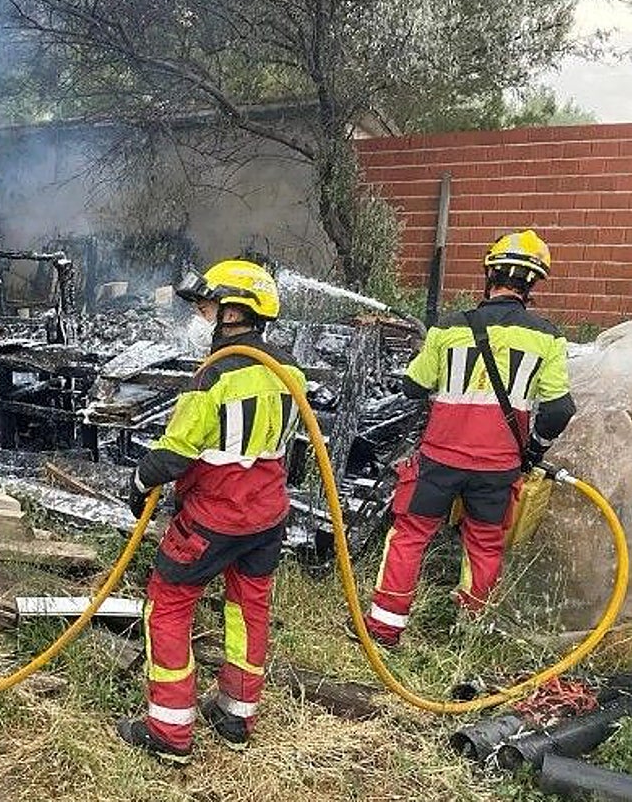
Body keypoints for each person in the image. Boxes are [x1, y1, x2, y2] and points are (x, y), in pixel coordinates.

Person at [119, 260, 306, 763]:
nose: (204, 315)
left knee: (168, 603)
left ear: (233, 312)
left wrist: (139, 480)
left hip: (213, 518)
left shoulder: (213, 378)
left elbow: (175, 452)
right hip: (267, 518)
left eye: (209, 306)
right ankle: (235, 715)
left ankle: (169, 730)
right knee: (249, 609)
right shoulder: (289, 371)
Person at [359, 230, 576, 649]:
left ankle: (384, 629)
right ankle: (468, 632)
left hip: (439, 461)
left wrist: (430, 358)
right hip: (498, 467)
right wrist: (533, 451)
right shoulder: (548, 337)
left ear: (490, 275)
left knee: (410, 536)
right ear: (532, 285)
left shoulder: (449, 327)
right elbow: (559, 410)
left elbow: (413, 387)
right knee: (485, 545)